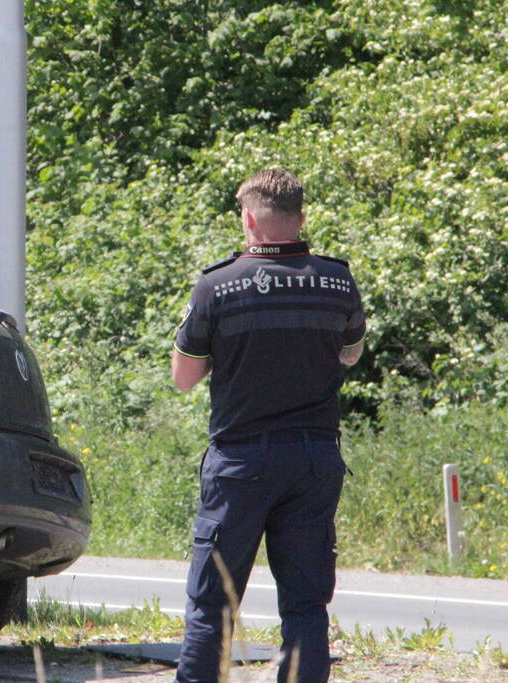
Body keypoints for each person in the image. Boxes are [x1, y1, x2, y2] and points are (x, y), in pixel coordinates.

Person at [172, 169, 365, 683]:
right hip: (314, 460)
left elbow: (183, 377)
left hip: (241, 461)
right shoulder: (337, 280)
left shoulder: (217, 285)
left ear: (249, 219)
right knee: (305, 603)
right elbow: (351, 354)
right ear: (301, 219)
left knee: (212, 601)